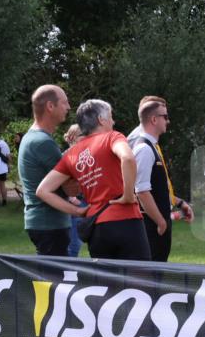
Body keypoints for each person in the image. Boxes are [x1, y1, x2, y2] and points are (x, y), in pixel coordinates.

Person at [36, 99, 149, 261]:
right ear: (101, 120)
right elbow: (128, 158)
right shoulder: (112, 137)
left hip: (96, 227)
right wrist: (128, 195)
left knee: (105, 283)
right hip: (126, 220)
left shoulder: (71, 154)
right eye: (110, 117)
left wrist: (76, 211)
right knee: (140, 281)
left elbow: (43, 190)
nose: (113, 121)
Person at [127, 97, 194, 262]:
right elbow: (141, 191)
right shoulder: (144, 148)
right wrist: (161, 221)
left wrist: (177, 203)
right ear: (154, 119)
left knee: (157, 268)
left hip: (156, 222)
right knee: (150, 272)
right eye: (165, 116)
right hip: (151, 225)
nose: (168, 120)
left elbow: (158, 187)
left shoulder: (152, 147)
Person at [19, 85, 73, 256]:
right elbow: (71, 185)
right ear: (50, 106)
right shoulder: (43, 142)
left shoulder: (34, 137)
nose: (68, 107)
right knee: (54, 280)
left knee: (49, 278)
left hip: (44, 223)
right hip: (49, 224)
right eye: (64, 103)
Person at [63, 124, 86, 257]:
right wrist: (72, 199)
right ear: (73, 137)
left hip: (86, 203)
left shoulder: (85, 155)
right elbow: (57, 183)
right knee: (73, 246)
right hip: (74, 205)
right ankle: (68, 274)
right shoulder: (66, 156)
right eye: (83, 135)